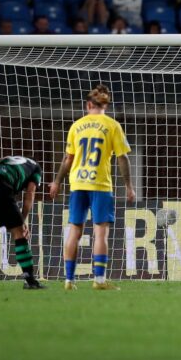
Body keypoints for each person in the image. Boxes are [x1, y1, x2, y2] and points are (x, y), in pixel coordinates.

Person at [49, 84, 135, 290]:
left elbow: (67, 159)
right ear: (104, 105)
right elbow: (122, 158)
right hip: (100, 184)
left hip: (77, 184)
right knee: (100, 233)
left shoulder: (76, 126)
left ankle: (69, 280)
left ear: (88, 105)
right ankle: (99, 280)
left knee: (74, 231)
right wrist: (129, 186)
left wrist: (57, 181)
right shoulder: (112, 125)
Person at [0, 156, 45, 289]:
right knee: (19, 233)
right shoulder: (35, 168)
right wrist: (22, 221)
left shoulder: (6, 161)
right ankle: (30, 280)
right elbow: (30, 195)